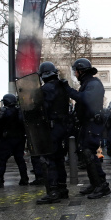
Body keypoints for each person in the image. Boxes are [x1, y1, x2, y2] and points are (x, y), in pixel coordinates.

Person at [61, 58, 111, 199]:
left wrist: (68, 90)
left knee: (89, 154)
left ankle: (102, 185)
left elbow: (84, 99)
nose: (75, 74)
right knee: (85, 153)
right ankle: (95, 183)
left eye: (76, 71)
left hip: (92, 124)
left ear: (81, 71)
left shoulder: (94, 83)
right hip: (86, 124)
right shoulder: (88, 83)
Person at [34, 62, 70, 204]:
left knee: (48, 160)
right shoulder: (62, 87)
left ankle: (53, 191)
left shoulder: (46, 89)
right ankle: (62, 189)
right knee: (59, 159)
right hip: (62, 127)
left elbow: (42, 109)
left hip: (51, 128)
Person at [0, 94, 29, 188]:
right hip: (20, 139)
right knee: (20, 159)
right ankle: (24, 178)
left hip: (7, 139)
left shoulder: (4, 111)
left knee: (1, 160)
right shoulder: (20, 111)